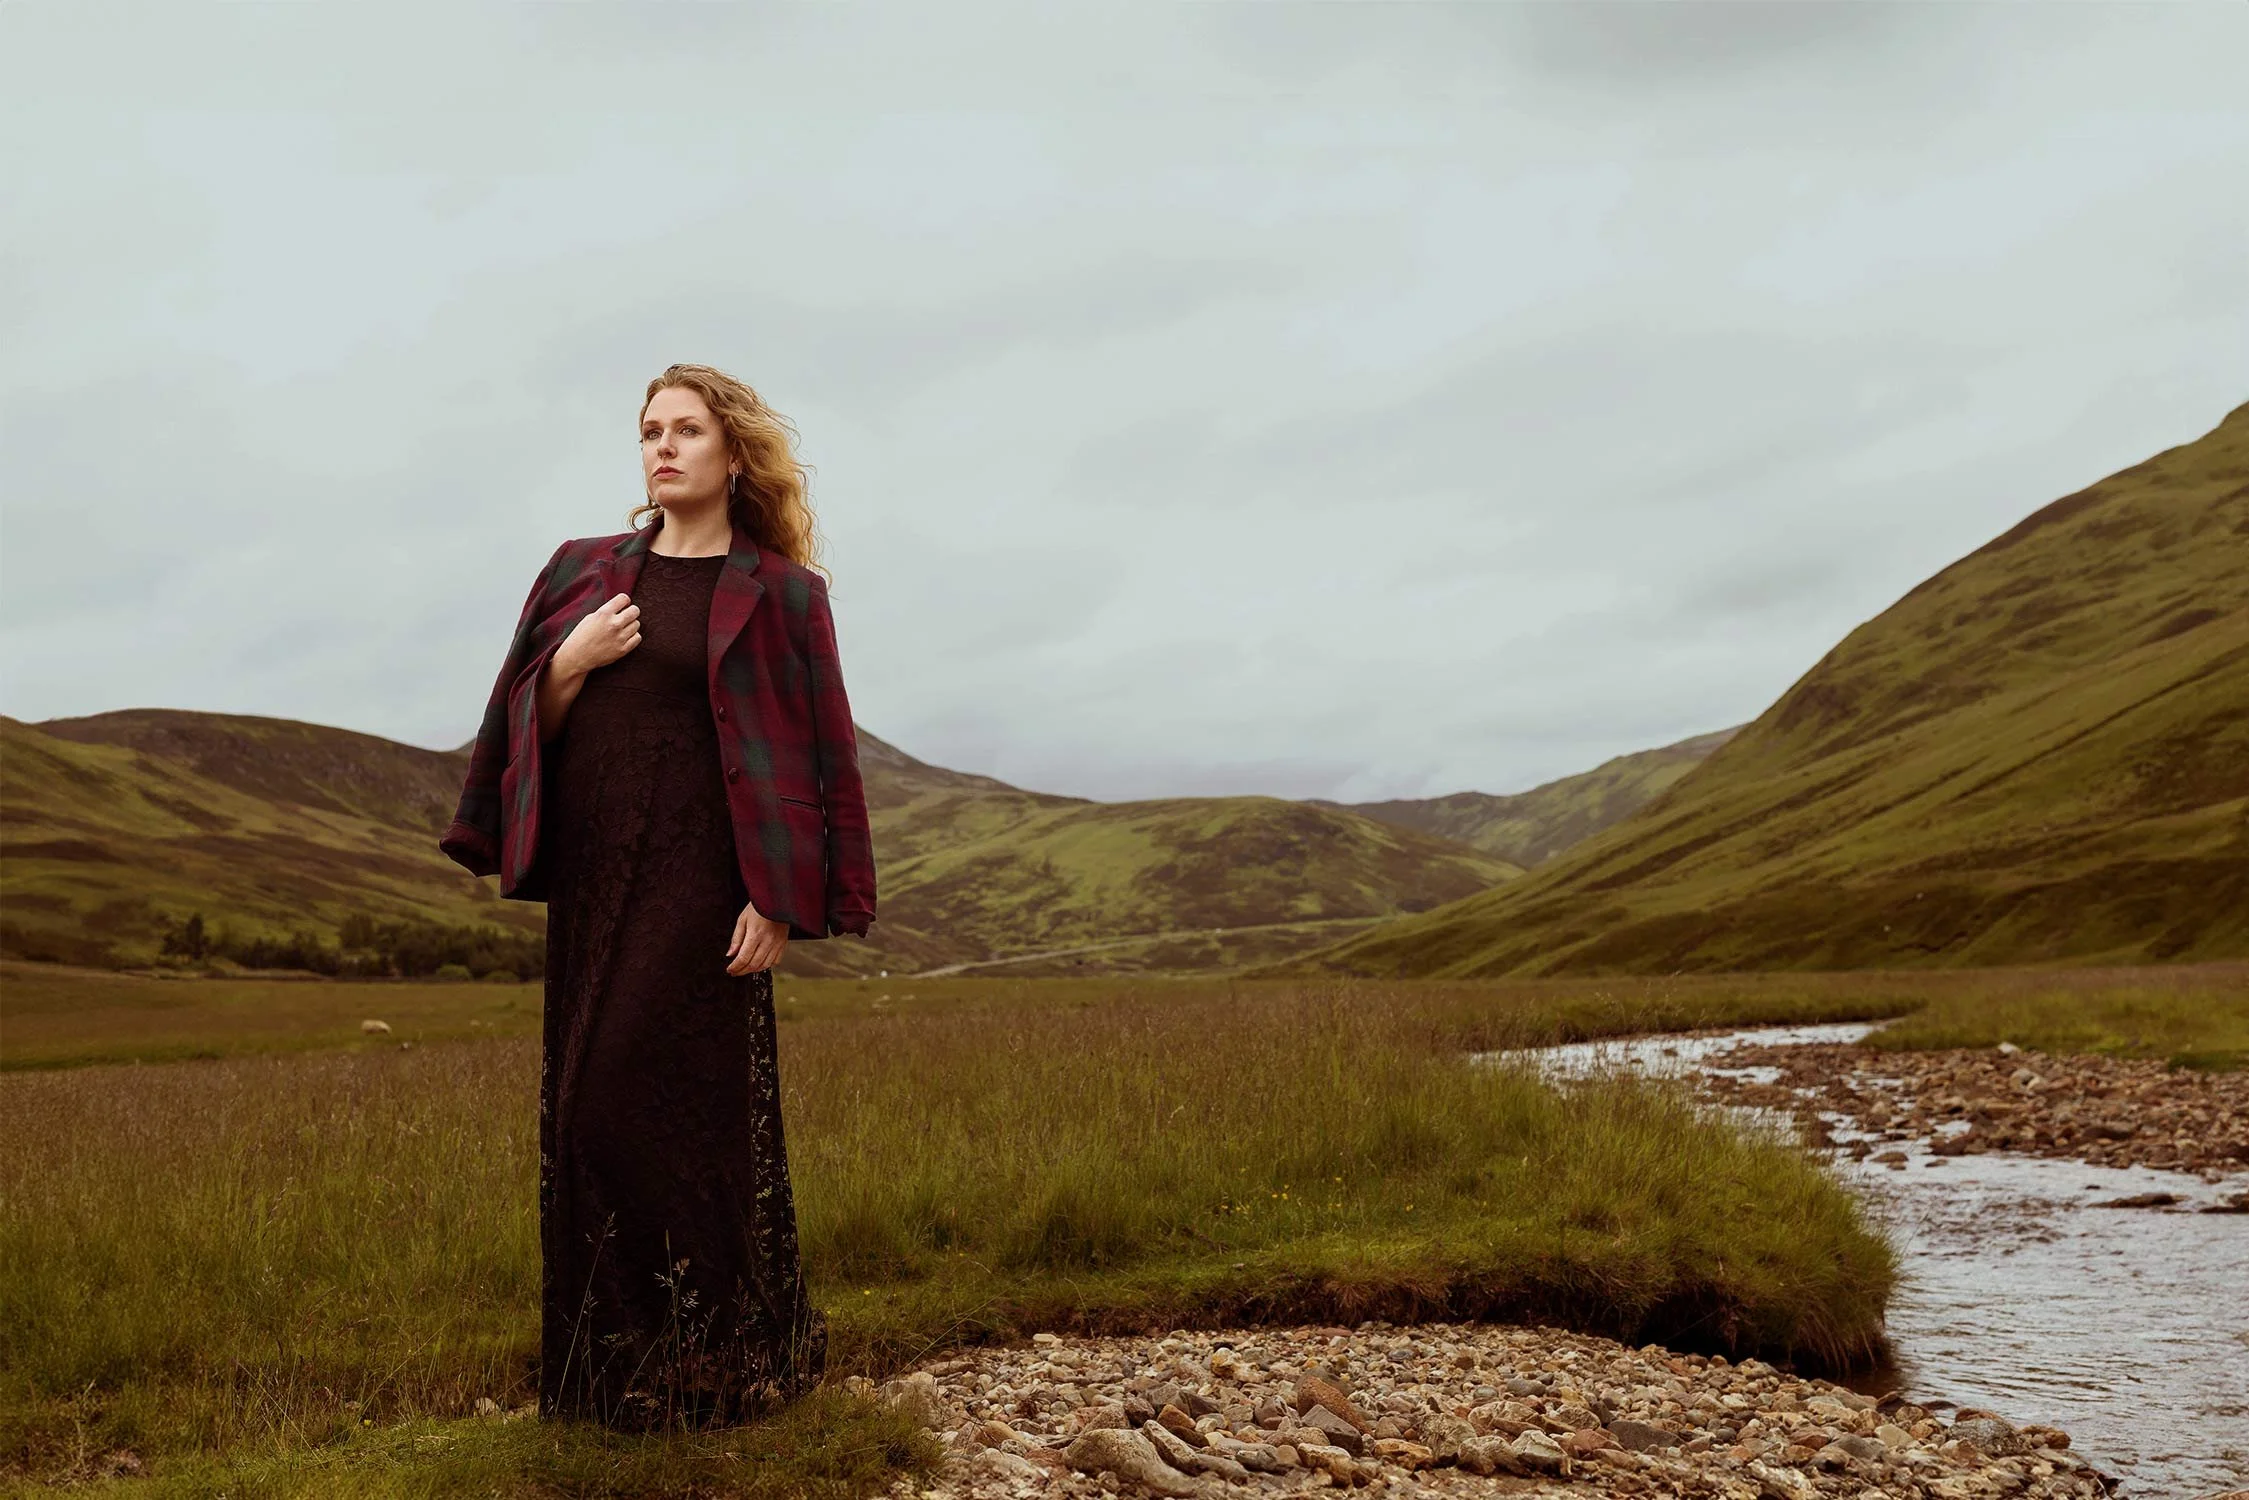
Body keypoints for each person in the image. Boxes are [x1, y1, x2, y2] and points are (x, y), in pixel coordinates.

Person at [438, 362, 877, 1431]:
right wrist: (567, 666)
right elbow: (515, 731)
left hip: (702, 884)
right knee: (599, 1120)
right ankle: (622, 1378)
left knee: (651, 1112)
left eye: (686, 430)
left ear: (733, 453)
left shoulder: (782, 593)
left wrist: (778, 900)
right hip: (598, 878)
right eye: (649, 431)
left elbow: (819, 755)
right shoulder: (580, 573)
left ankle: (720, 1359)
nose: (662, 447)